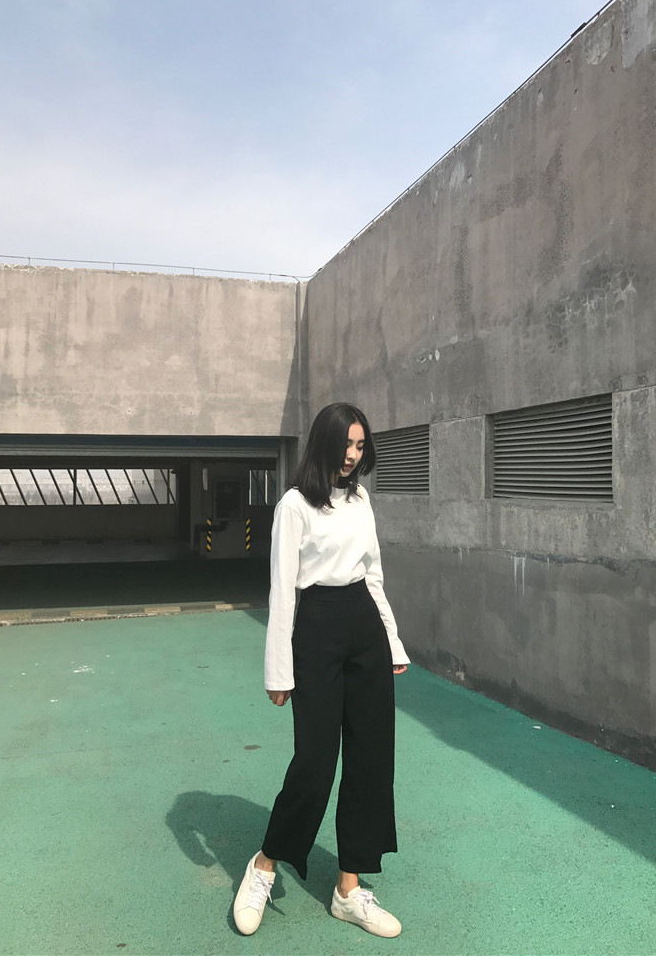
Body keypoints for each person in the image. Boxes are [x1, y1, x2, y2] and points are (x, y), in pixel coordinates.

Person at [233, 402, 410, 939]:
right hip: (315, 629)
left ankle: (349, 890)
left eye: (360, 445)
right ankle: (264, 865)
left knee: (371, 757)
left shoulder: (360, 499)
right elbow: (282, 591)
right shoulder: (294, 505)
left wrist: (392, 639)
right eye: (345, 445)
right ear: (324, 444)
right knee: (314, 761)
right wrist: (278, 671)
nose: (353, 456)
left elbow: (373, 574)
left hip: (364, 627)